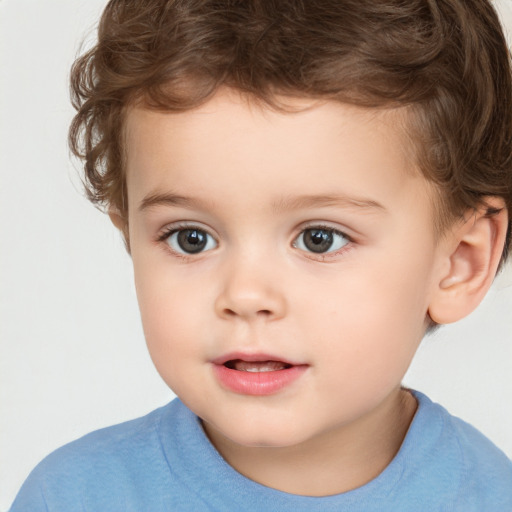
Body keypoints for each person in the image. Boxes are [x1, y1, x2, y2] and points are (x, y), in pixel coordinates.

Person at [9, 0, 512, 510]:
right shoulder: (73, 497)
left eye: (320, 238)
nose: (245, 295)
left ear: (458, 263)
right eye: (191, 238)